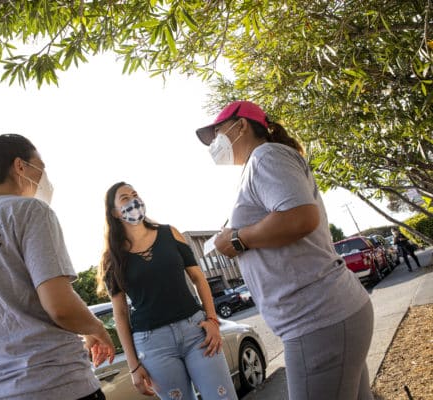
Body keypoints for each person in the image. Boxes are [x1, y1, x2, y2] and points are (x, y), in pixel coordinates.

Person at [195, 101, 374, 400]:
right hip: (325, 318)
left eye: (217, 132)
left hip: (316, 320)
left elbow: (300, 217)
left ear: (241, 126)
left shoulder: (266, 156)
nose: (214, 142)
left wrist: (237, 239)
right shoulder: (262, 162)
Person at [0, 134, 115, 400]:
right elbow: (60, 307)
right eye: (41, 166)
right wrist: (95, 327)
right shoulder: (31, 211)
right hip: (52, 384)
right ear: (20, 166)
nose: (44, 176)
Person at [96, 182, 238, 400]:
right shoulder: (112, 259)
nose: (133, 200)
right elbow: (121, 314)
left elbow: (199, 279)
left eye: (135, 194)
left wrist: (212, 319)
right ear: (114, 213)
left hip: (196, 332)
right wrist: (134, 367)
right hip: (153, 346)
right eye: (124, 198)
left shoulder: (170, 234)